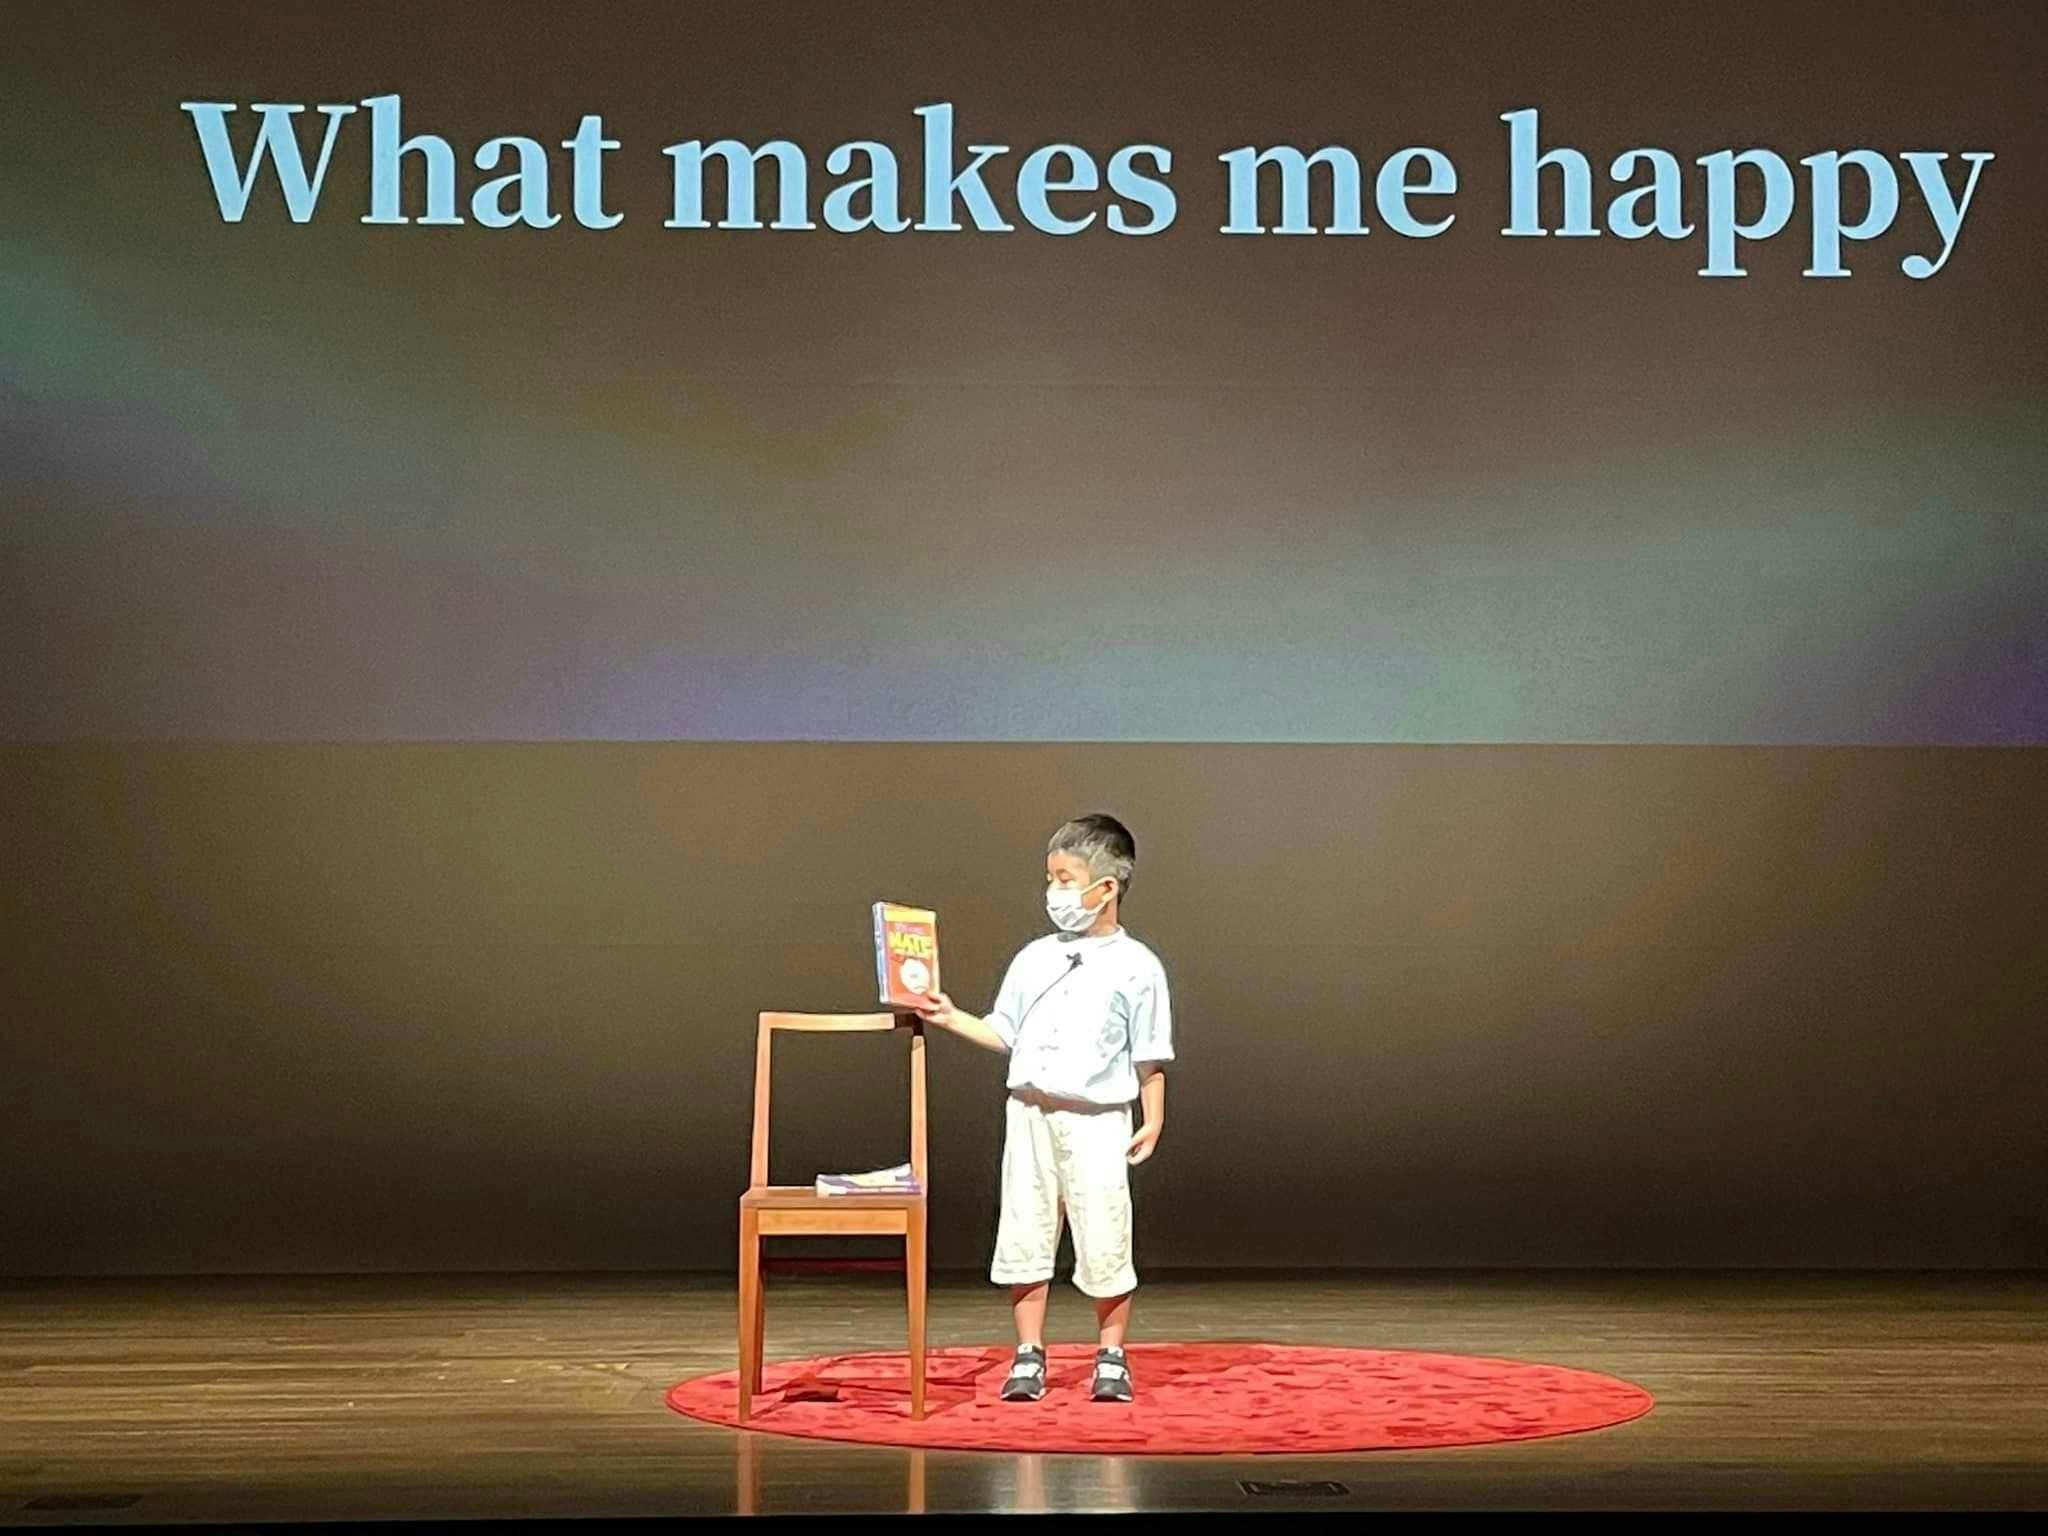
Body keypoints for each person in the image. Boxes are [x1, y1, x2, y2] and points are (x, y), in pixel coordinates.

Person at [914, 813, 1173, 1403]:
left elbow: (1149, 1053)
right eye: (1050, 878)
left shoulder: (1138, 966)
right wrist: (949, 1016)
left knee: (1105, 1231)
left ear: (1105, 887)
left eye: (1065, 879)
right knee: (1026, 1226)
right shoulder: (1034, 958)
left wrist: (1153, 1116)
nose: (1054, 892)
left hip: (1098, 1119)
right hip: (1029, 1113)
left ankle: (1111, 1354)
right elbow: (1004, 1030)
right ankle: (1029, 1352)